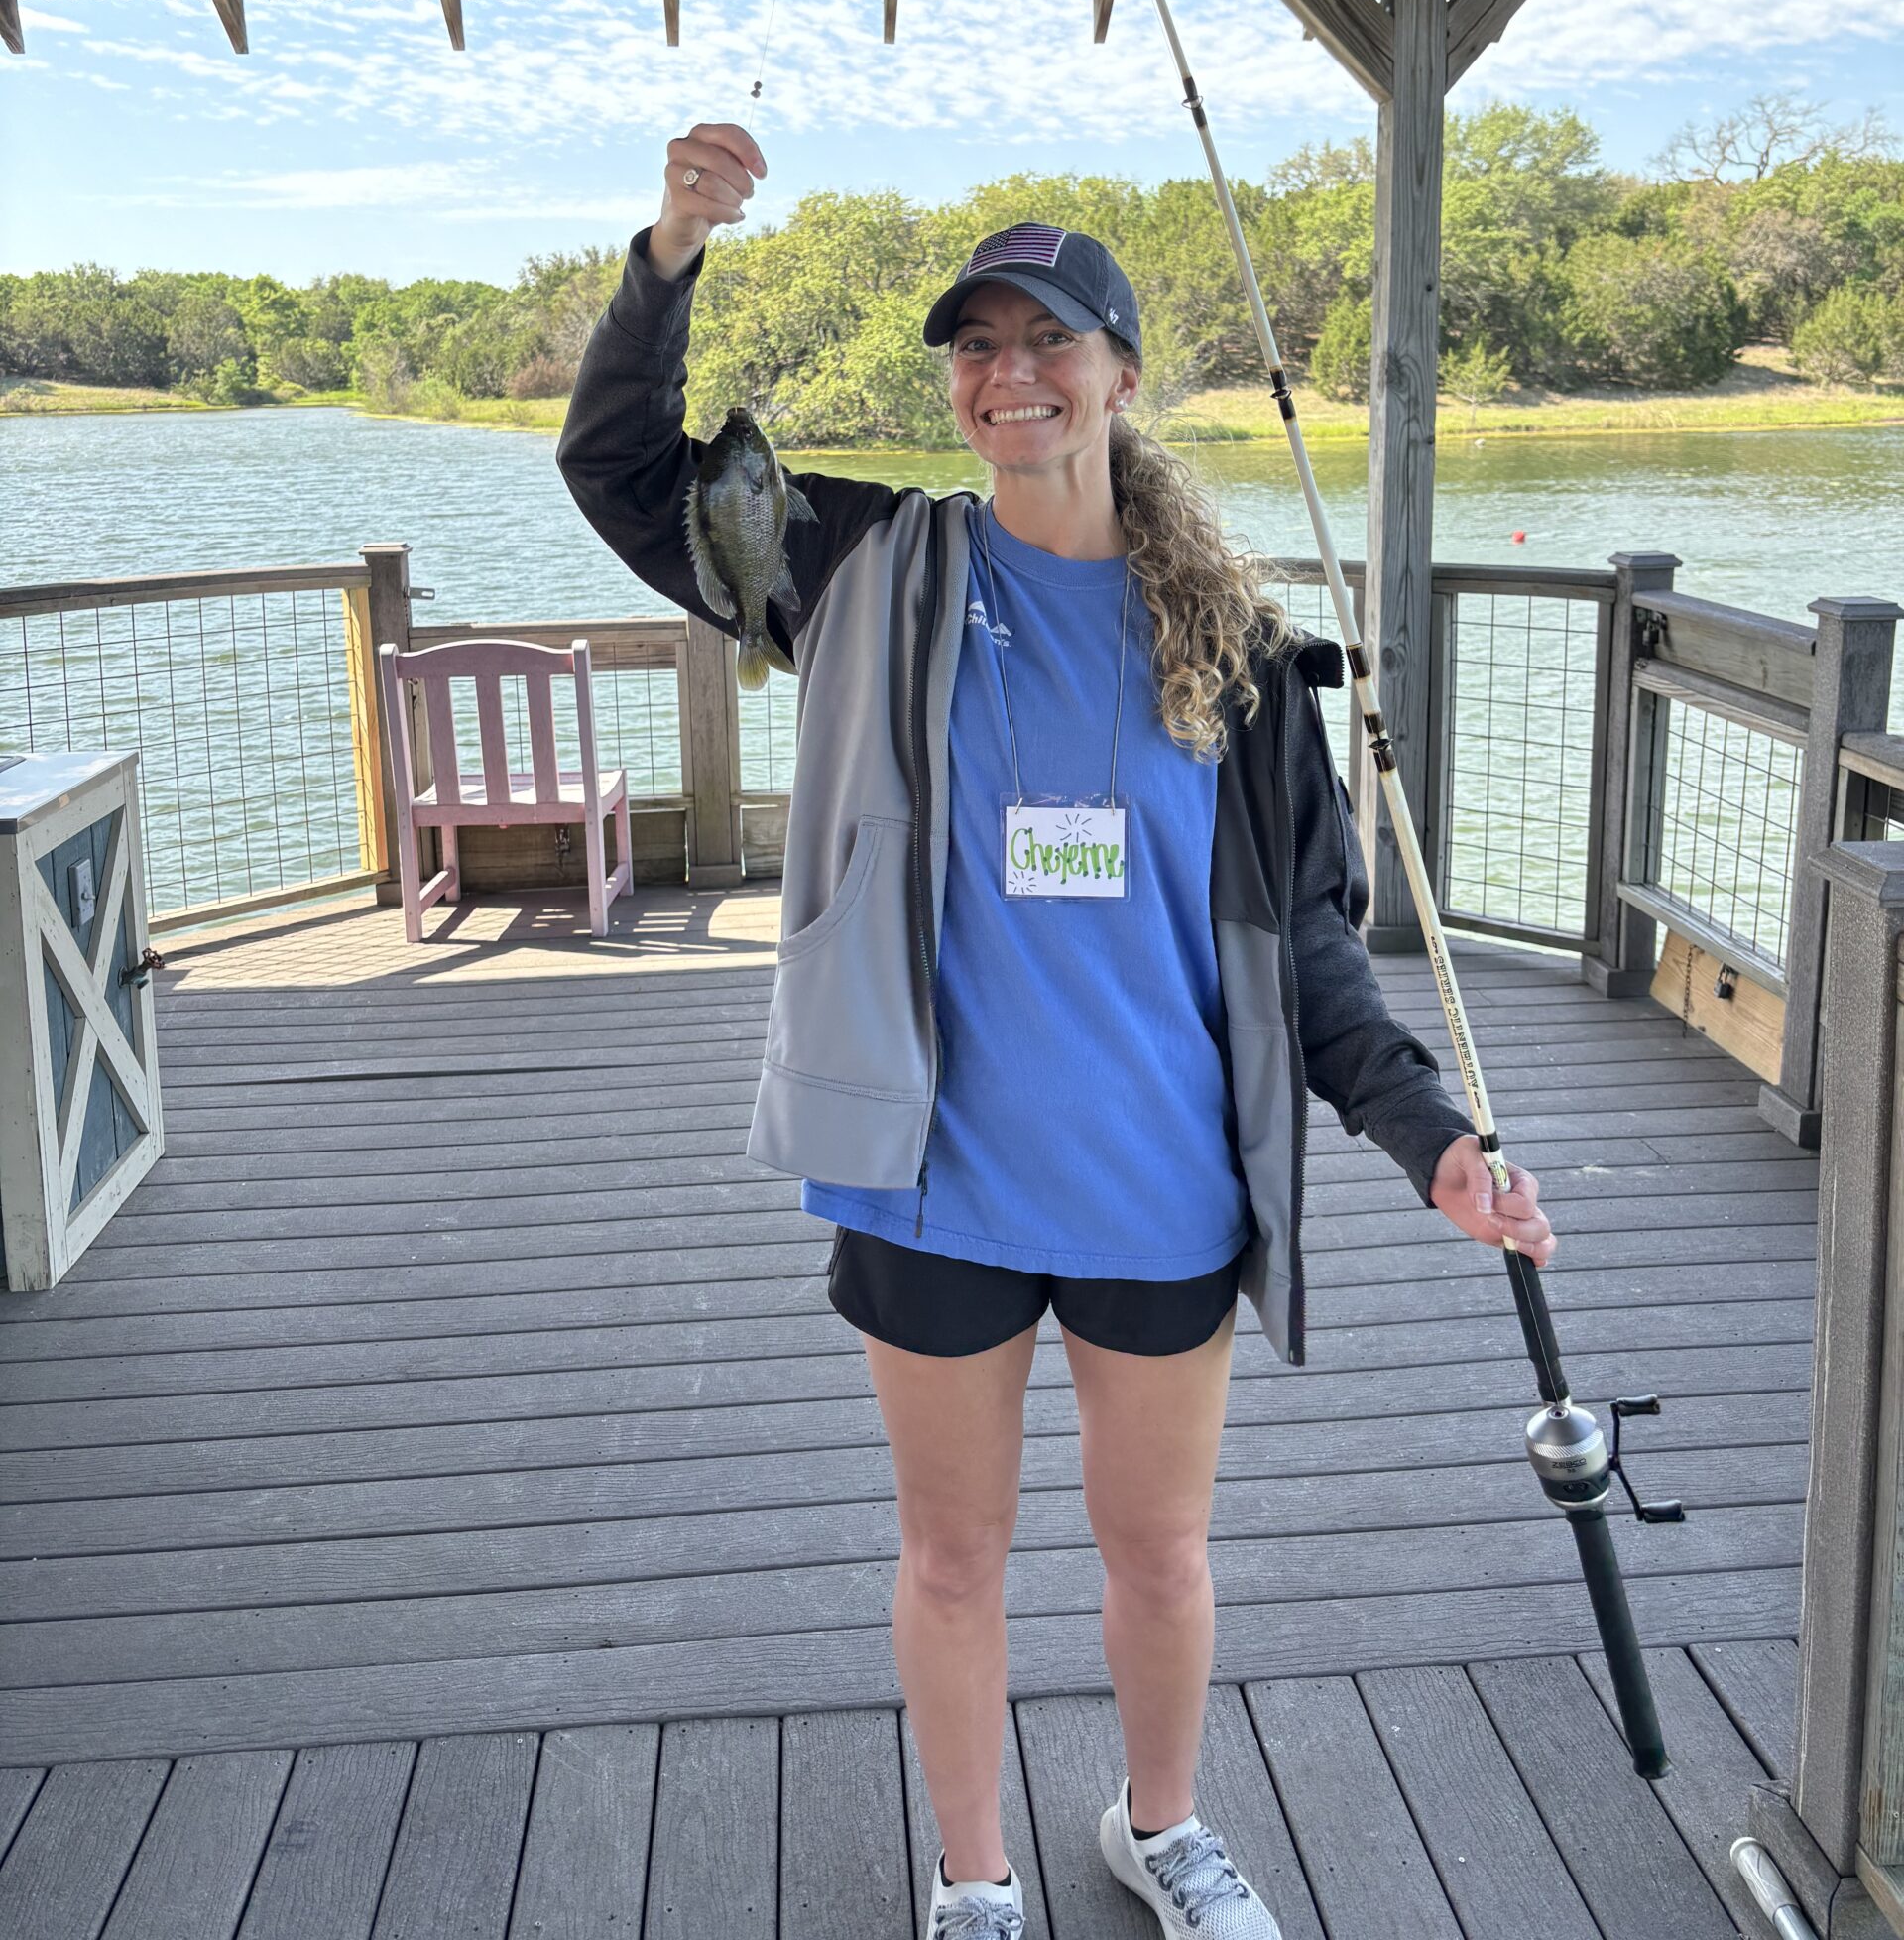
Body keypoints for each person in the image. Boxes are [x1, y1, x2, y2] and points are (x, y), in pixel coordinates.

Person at [557, 120, 1558, 1940]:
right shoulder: (862, 563)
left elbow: (1314, 955)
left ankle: (1157, 1830)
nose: (1009, 375)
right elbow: (627, 472)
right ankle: (974, 1876)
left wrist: (1436, 1143)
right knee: (953, 1557)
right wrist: (672, 250)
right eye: (978, 346)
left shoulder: (1242, 655)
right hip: (929, 1178)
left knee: (1158, 1554)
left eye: (1047, 340)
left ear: (1116, 370)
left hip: (1161, 1185)